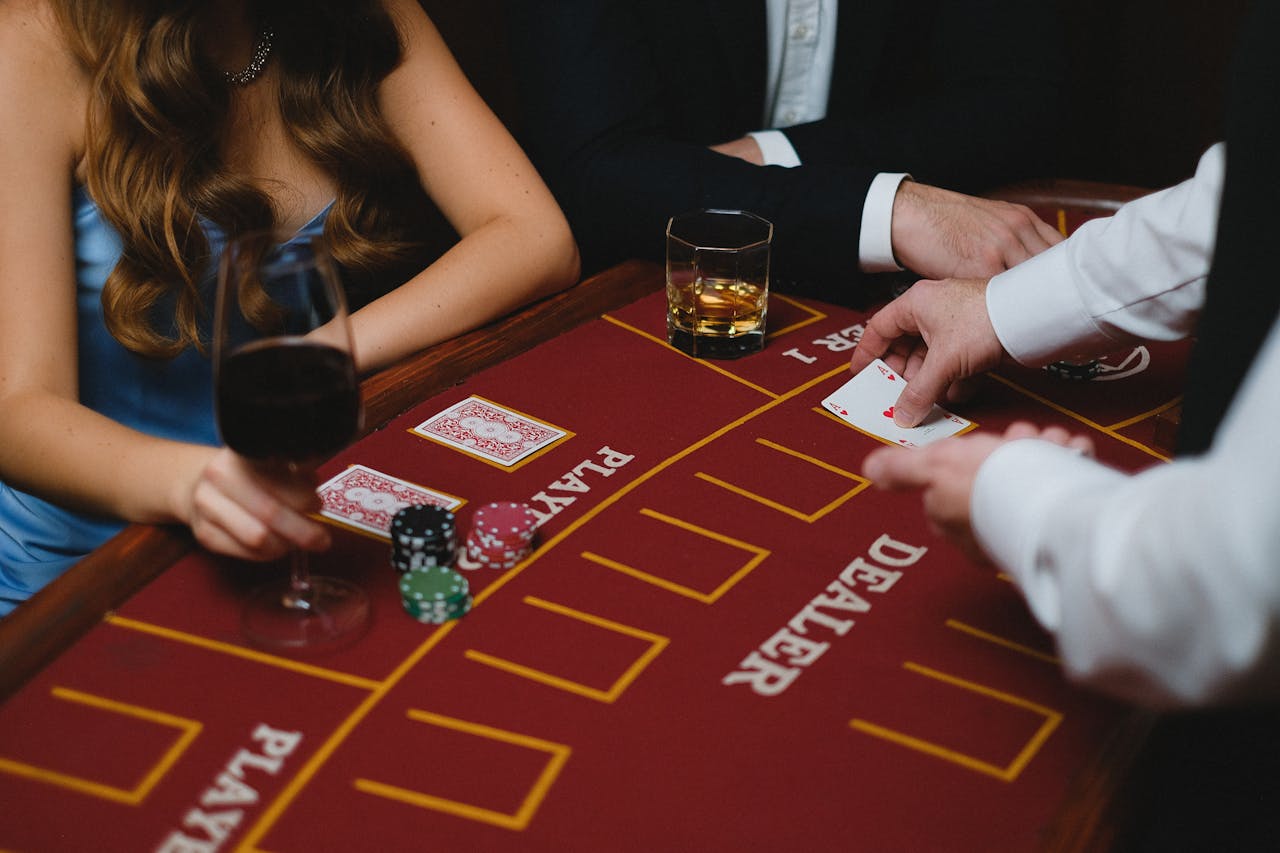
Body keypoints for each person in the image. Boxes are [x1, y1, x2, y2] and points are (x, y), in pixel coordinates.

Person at [0, 0, 580, 616]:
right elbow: (17, 409)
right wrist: (192, 485)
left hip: (296, 503)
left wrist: (319, 355)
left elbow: (537, 238)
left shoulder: (360, 14)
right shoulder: (30, 42)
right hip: (81, 565)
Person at [500, 0, 1067, 294]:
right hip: (654, 282)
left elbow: (1021, 103)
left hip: (882, 290)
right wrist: (889, 212)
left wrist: (773, 152)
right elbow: (597, 176)